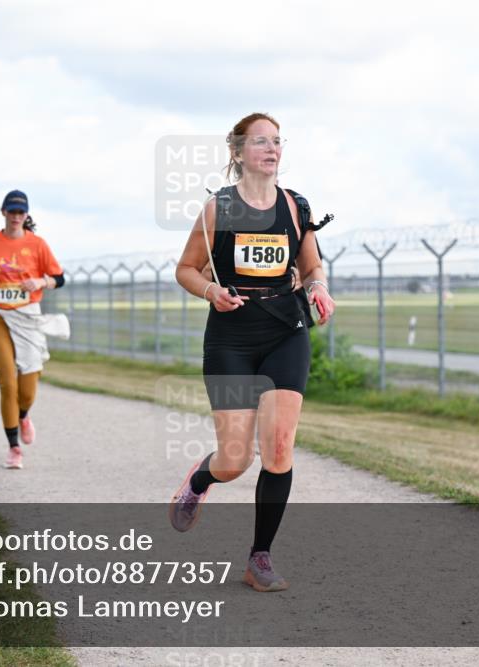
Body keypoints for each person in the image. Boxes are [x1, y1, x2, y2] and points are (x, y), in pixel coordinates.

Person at [168, 113, 336, 592]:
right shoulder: (218, 209)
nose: (272, 148)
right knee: (235, 459)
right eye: (261, 141)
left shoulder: (295, 206)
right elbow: (186, 269)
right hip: (231, 338)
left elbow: (312, 266)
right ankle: (200, 481)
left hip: (286, 330)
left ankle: (259, 557)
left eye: (277, 141)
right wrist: (211, 292)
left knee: (279, 447)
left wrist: (319, 287)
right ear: (238, 152)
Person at [0, 189, 67, 470]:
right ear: (3, 212)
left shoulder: (37, 244)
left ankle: (23, 415)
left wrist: (41, 282)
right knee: (7, 380)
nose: (16, 216)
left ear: (26, 215)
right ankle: (13, 447)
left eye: (20, 212)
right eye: (11, 211)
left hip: (28, 315)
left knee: (28, 386)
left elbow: (59, 278)